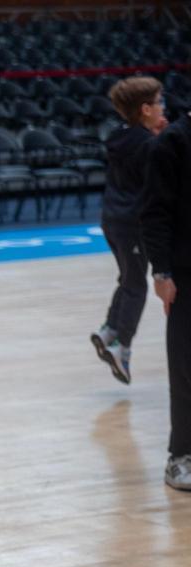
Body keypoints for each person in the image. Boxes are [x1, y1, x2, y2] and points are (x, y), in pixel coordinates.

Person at [90, 76, 168, 384]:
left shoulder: (119, 135)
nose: (163, 107)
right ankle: (121, 348)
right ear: (146, 109)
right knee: (137, 286)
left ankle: (108, 330)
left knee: (127, 278)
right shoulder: (149, 145)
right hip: (133, 223)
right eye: (159, 102)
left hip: (111, 220)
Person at [140, 105, 191, 491]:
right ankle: (181, 455)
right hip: (186, 273)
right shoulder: (173, 142)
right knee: (187, 366)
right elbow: (154, 214)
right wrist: (161, 272)